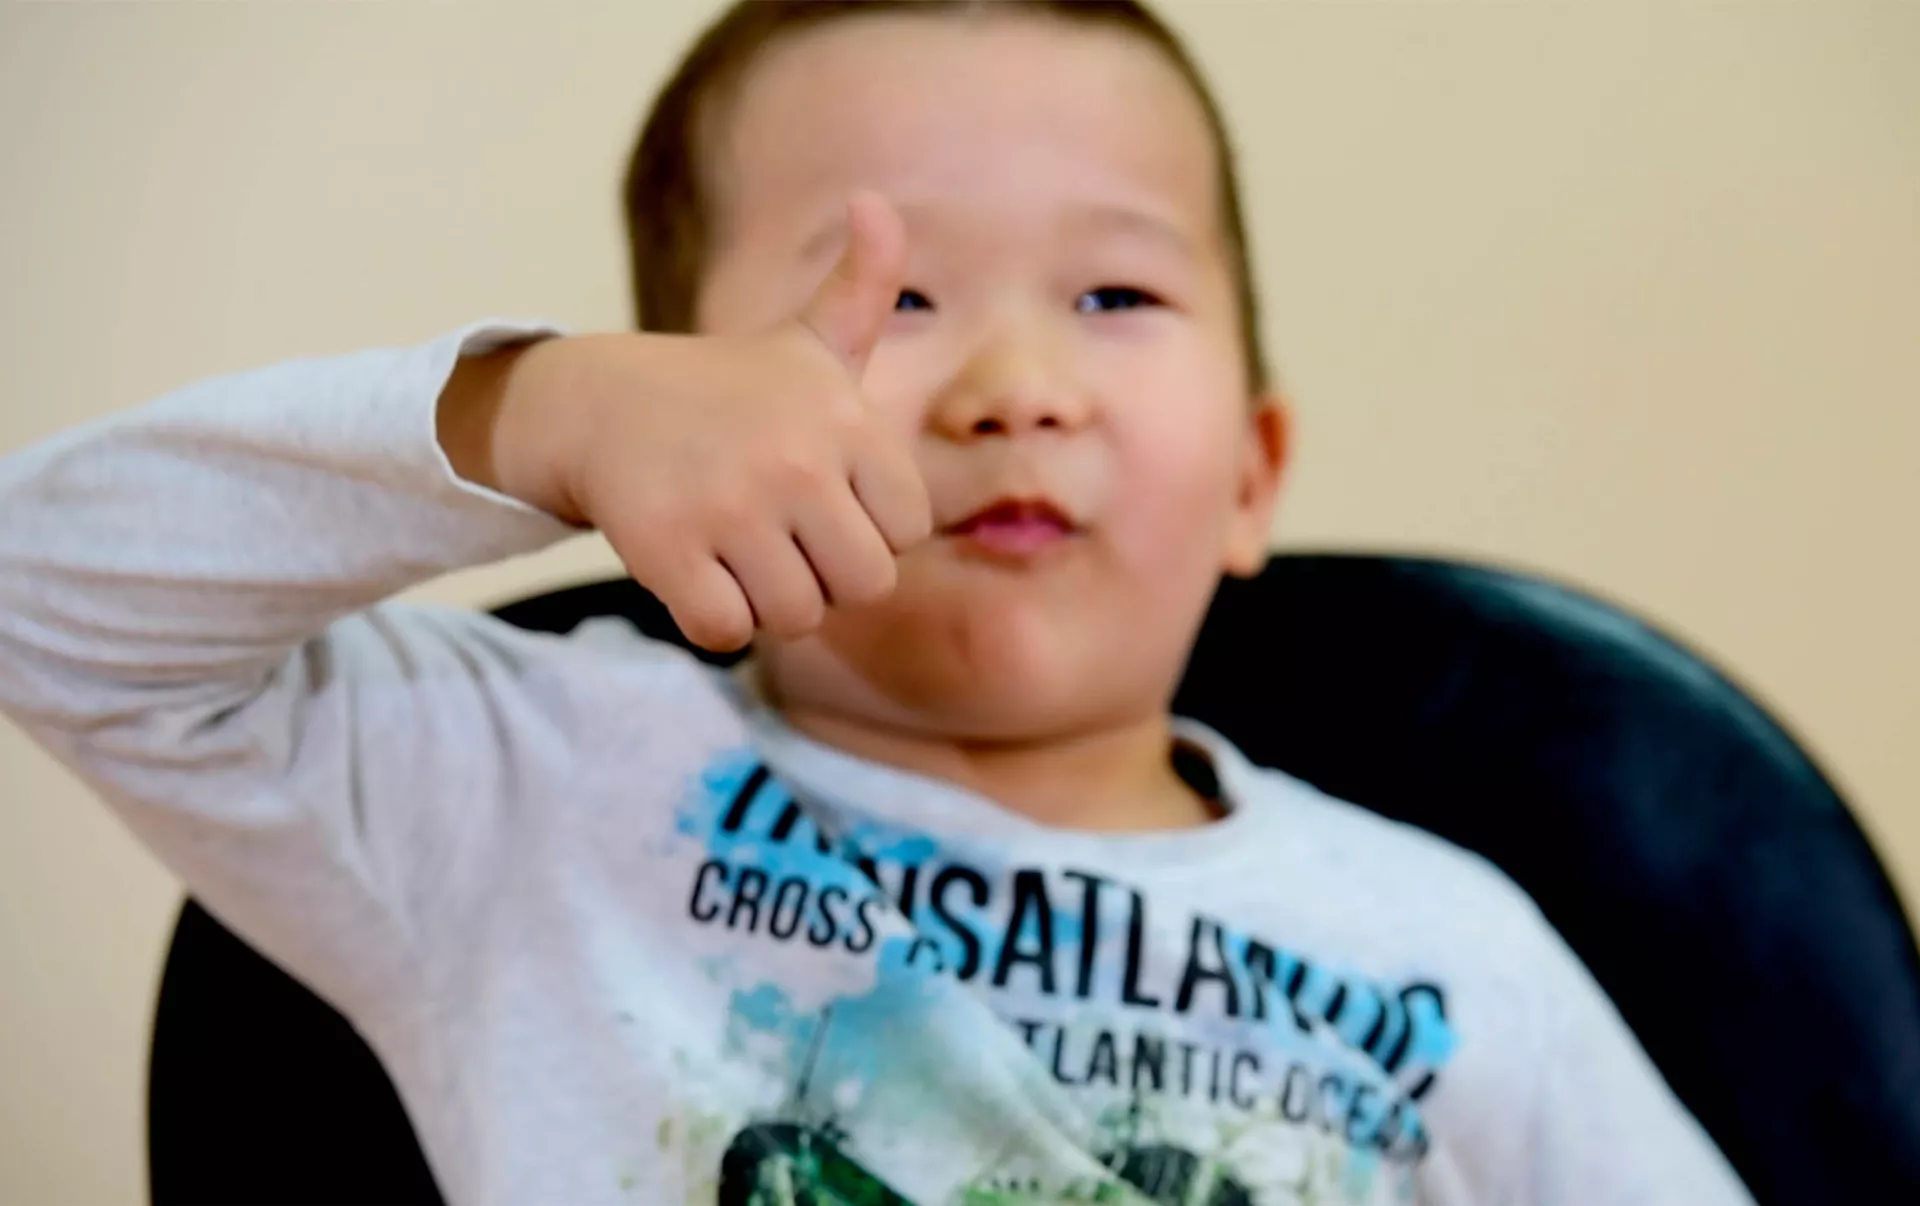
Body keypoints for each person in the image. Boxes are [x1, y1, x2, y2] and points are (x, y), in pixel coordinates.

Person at [0, 2, 1755, 1204]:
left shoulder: (1456, 958)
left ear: (1254, 471)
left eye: (1117, 295)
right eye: (896, 298)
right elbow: (39, 589)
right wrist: (535, 412)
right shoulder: (521, 795)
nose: (1014, 387)